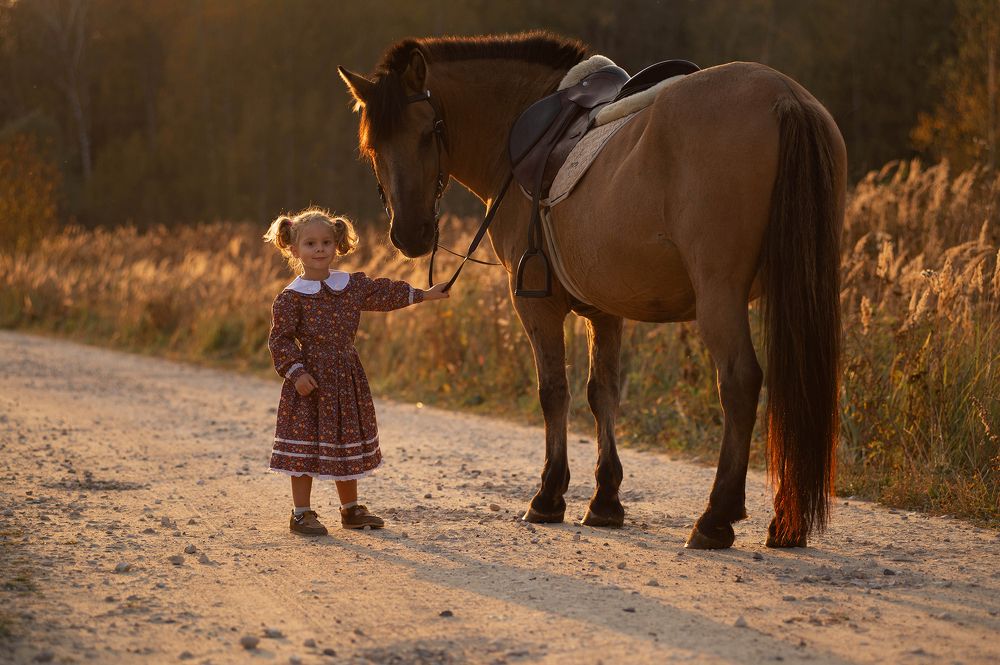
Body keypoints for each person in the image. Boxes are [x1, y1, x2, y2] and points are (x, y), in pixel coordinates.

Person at [263, 207, 448, 535]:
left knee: (344, 442)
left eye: (325, 242)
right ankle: (301, 513)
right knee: (304, 445)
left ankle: (350, 510)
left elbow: (384, 293)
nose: (319, 249)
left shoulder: (349, 285)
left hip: (347, 376)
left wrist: (424, 295)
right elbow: (280, 340)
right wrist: (296, 372)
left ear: (336, 245)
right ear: (293, 248)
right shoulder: (290, 297)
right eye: (310, 244)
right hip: (310, 380)